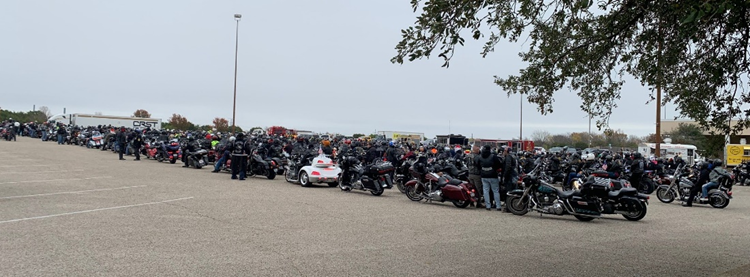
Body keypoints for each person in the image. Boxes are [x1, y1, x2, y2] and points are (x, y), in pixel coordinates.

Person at [475, 145, 502, 211]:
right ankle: (498, 206)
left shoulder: (480, 156)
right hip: (493, 175)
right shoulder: (493, 156)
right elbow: (498, 165)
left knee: (485, 191)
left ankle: (488, 206)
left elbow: (478, 165)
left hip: (483, 175)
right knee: (495, 191)